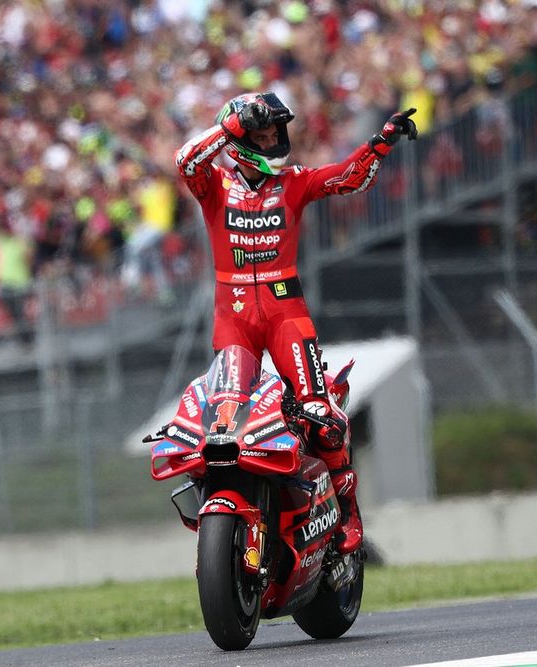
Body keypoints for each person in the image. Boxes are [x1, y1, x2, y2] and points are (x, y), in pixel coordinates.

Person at [175, 91, 418, 554]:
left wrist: (381, 142)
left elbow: (347, 179)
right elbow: (186, 160)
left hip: (286, 311)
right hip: (234, 319)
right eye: (262, 135)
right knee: (221, 426)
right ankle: (226, 524)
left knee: (322, 417)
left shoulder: (294, 182)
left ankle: (347, 515)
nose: (273, 143)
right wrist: (227, 127)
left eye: (275, 134)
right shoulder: (213, 186)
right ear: (240, 141)